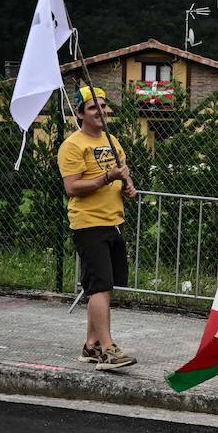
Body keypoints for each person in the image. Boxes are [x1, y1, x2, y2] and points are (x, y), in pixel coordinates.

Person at [58, 87, 138, 371]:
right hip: (89, 224)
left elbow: (123, 174)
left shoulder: (112, 140)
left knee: (104, 287)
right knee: (99, 286)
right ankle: (107, 350)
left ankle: (91, 345)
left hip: (114, 222)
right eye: (94, 108)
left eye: (104, 107)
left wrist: (128, 187)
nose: (102, 112)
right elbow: (72, 187)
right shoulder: (73, 145)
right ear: (80, 113)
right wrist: (108, 177)